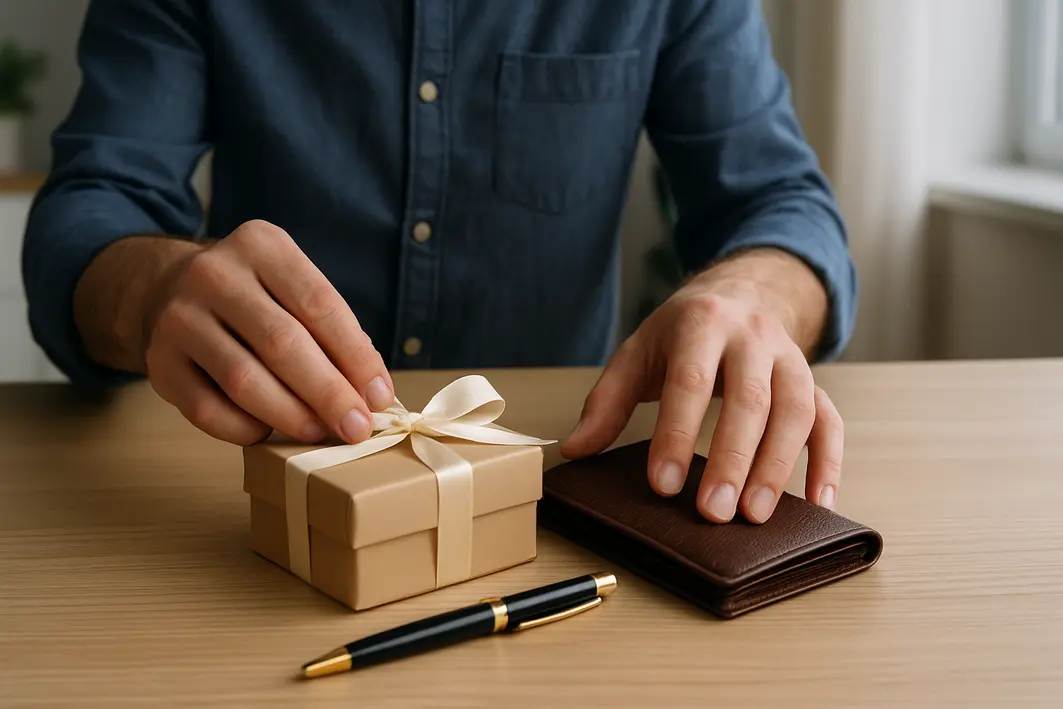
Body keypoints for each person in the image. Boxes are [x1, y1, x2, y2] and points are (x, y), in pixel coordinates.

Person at [22, 0, 856, 527]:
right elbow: (89, 208)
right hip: (251, 514)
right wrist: (154, 288)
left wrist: (752, 290)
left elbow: (782, 200)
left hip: (551, 513)